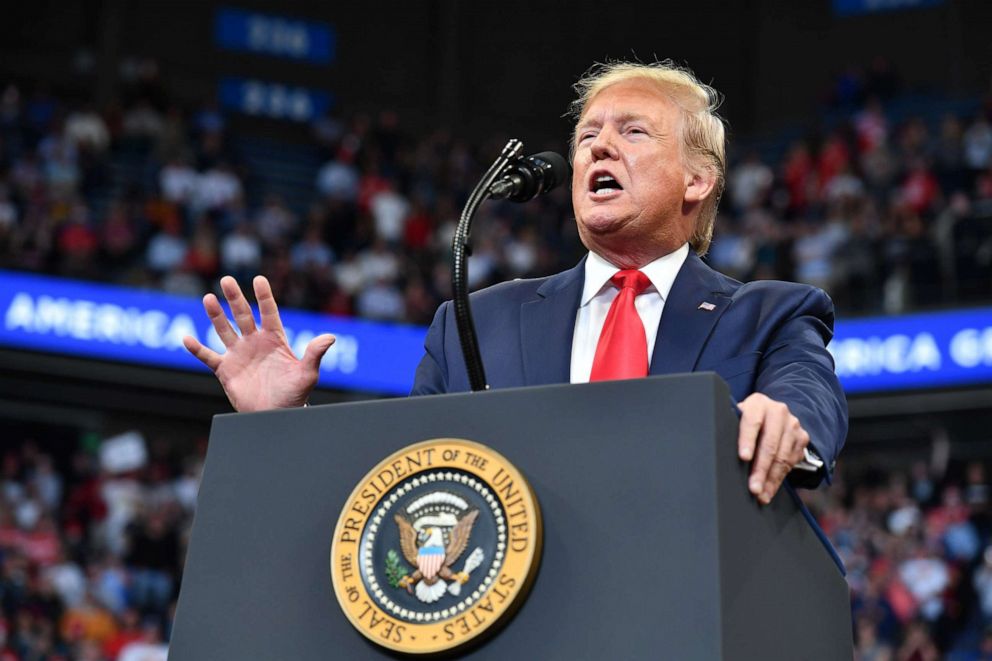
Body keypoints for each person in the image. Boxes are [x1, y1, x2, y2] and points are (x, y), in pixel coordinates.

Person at [183, 61, 847, 505]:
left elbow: (808, 394)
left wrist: (786, 420)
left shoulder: (770, 314)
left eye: (632, 131)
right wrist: (282, 427)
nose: (597, 147)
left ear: (697, 180)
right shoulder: (478, 320)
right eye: (588, 135)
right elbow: (409, 484)